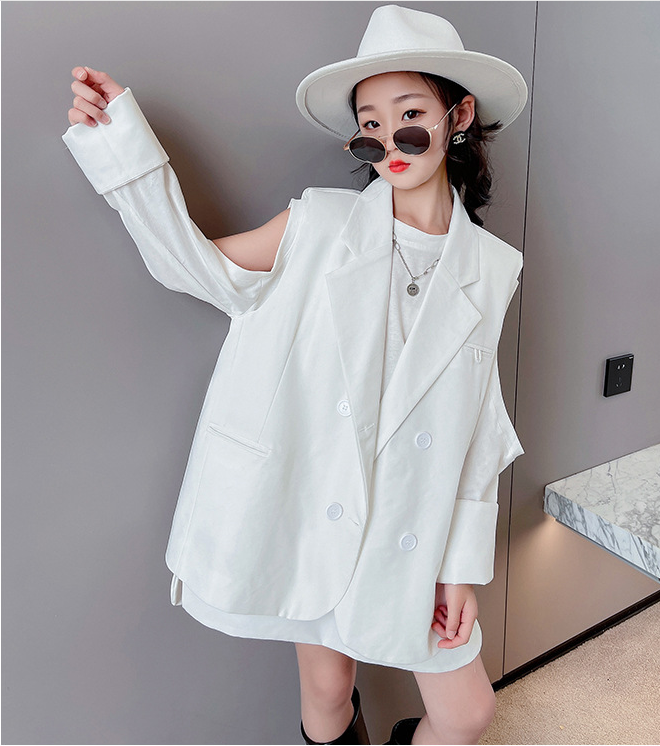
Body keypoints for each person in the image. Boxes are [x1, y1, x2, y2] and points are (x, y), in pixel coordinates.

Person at [62, 5, 527, 745]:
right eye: (370, 123)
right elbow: (196, 268)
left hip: (410, 527)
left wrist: (460, 567)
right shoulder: (319, 225)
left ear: (458, 116)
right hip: (316, 507)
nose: (391, 139)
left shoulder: (494, 268)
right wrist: (122, 148)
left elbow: (478, 425)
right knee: (326, 688)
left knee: (467, 713)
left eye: (411, 114)